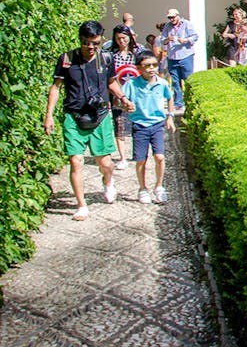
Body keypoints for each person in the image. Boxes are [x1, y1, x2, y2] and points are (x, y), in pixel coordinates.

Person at [43, 21, 135, 220]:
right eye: (87, 42)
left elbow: (111, 82)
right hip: (73, 116)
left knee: (105, 163)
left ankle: (108, 181)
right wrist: (49, 115)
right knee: (76, 161)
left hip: (99, 116)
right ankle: (82, 205)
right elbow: (56, 87)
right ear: (80, 40)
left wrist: (124, 98)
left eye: (95, 43)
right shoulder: (67, 59)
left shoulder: (106, 59)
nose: (91, 47)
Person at [122, 50, 176, 204]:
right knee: (141, 160)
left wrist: (170, 116)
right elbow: (121, 100)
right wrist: (126, 105)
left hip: (157, 124)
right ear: (139, 68)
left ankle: (159, 186)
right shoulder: (131, 84)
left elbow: (169, 98)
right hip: (140, 126)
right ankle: (142, 188)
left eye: (154, 65)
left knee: (160, 157)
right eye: (147, 65)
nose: (151, 68)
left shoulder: (162, 83)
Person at [108, 25, 140, 171]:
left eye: (124, 38)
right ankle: (122, 157)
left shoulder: (136, 54)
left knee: (137, 123)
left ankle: (137, 153)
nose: (121, 41)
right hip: (118, 94)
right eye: (118, 38)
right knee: (119, 124)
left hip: (136, 94)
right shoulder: (111, 55)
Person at [160, 8, 199, 116]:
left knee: (188, 79)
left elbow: (195, 36)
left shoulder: (186, 24)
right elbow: (162, 40)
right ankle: (178, 103)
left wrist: (185, 40)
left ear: (178, 16)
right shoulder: (167, 26)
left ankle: (191, 99)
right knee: (175, 81)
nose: (171, 19)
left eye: (173, 17)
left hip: (185, 55)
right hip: (172, 57)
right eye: (170, 18)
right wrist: (168, 39)